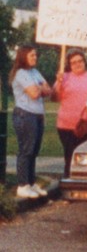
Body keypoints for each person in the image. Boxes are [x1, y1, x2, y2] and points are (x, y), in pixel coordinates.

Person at [10, 45, 51, 198]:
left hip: (37, 115)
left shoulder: (34, 72)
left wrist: (39, 88)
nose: (35, 57)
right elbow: (34, 94)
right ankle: (22, 185)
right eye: (32, 55)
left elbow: (49, 91)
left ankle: (31, 183)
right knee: (26, 150)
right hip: (25, 115)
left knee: (34, 151)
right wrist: (40, 88)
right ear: (23, 56)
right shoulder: (20, 73)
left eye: (35, 55)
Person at [52, 49, 87, 176]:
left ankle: (86, 184)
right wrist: (59, 83)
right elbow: (55, 97)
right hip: (66, 126)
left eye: (80, 61)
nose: (78, 64)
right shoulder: (64, 77)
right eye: (73, 62)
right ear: (69, 65)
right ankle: (69, 182)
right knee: (70, 156)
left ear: (84, 61)